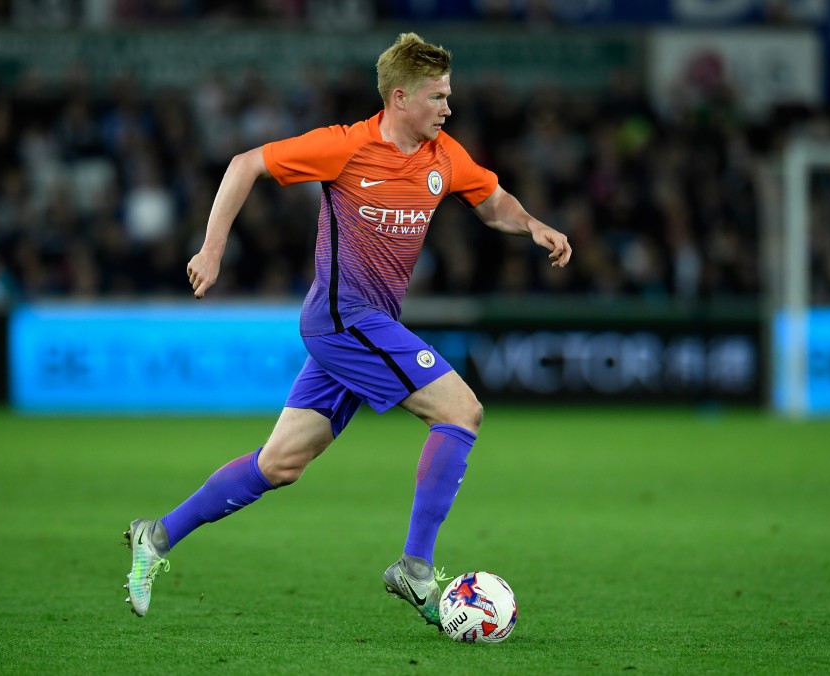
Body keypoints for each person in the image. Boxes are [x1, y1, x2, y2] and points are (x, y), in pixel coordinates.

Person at [123, 32, 572, 627]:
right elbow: (244, 164)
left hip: (366, 326)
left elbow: (491, 201)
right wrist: (212, 250)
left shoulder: (445, 157)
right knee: (462, 411)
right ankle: (416, 565)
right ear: (400, 96)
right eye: (438, 97)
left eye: (449, 96)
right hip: (343, 320)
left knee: (280, 464)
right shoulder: (346, 147)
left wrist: (533, 225)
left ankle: (156, 535)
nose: (448, 108)